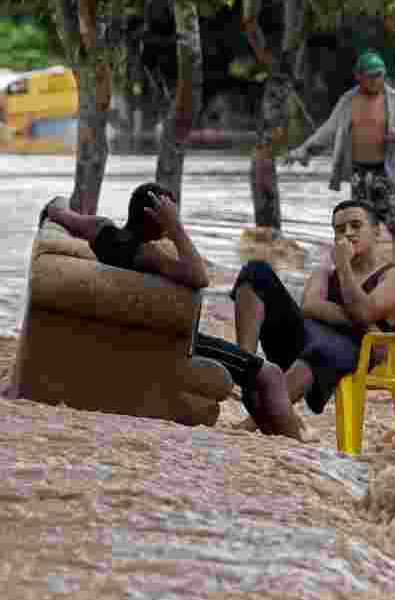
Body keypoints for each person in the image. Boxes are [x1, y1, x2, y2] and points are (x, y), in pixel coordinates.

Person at [36, 185, 306, 440]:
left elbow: (57, 210)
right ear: (154, 215)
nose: (175, 216)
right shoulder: (147, 255)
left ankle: (269, 431)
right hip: (169, 343)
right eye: (170, 211)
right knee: (270, 374)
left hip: (137, 334)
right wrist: (176, 228)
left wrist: (57, 207)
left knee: (253, 373)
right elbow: (199, 277)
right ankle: (295, 447)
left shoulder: (101, 230)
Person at [231, 198, 395, 428]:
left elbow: (364, 311)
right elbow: (310, 306)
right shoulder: (325, 272)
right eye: (339, 230)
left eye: (356, 226)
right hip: (305, 337)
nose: (347, 234)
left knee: (320, 348)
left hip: (355, 351)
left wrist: (344, 267)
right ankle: (246, 368)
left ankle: (252, 424)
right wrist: (360, 323)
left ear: (376, 232)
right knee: (255, 272)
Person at [283, 50, 395, 264]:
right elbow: (328, 131)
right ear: (359, 76)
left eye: (381, 75)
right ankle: (366, 268)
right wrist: (302, 151)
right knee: (361, 226)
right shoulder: (348, 101)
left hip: (387, 172)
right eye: (372, 76)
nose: (378, 80)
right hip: (359, 173)